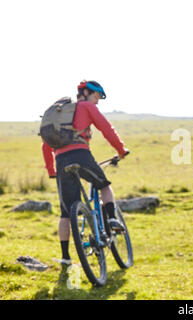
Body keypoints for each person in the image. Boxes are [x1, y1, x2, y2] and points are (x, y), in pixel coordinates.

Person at [42, 80, 129, 266]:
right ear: (87, 93)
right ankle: (112, 219)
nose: (97, 101)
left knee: (66, 212)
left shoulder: (61, 115)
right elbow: (106, 129)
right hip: (81, 155)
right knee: (104, 185)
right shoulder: (86, 107)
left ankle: (65, 258)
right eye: (97, 96)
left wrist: (51, 171)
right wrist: (121, 150)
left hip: (61, 161)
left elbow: (45, 144)